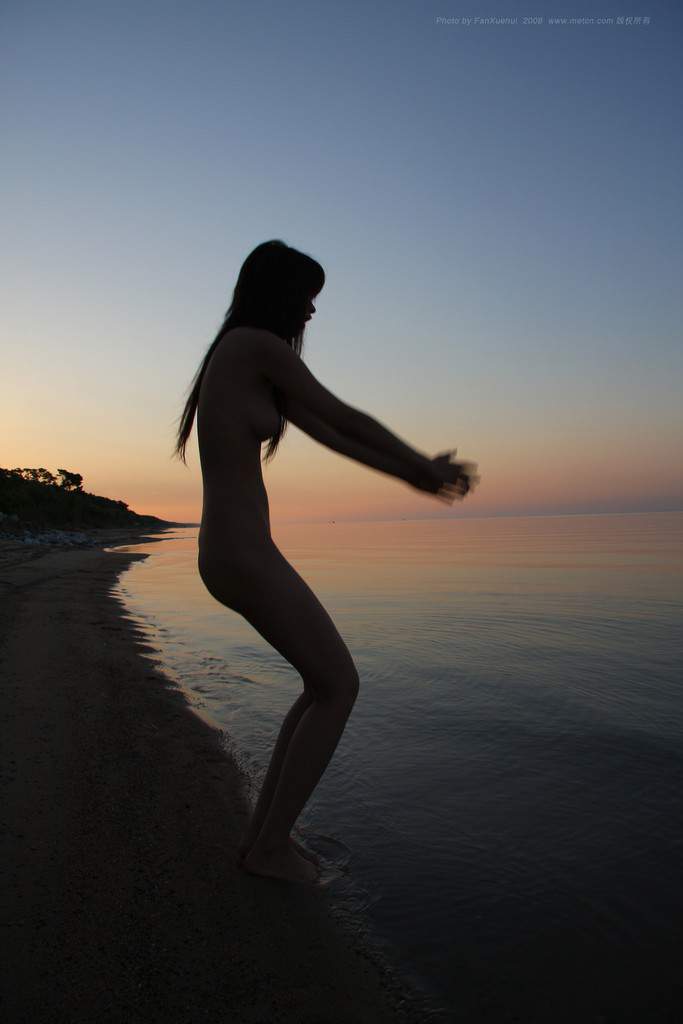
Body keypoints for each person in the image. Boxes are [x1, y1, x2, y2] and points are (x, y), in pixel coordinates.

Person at [173, 239, 480, 885]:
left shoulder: (249, 358)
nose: (312, 310)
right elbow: (345, 413)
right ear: (277, 293)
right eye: (306, 296)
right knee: (339, 685)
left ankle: (264, 838)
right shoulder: (254, 345)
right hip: (239, 552)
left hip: (237, 551)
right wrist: (420, 463)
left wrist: (411, 475)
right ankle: (268, 850)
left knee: (322, 685)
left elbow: (333, 433)